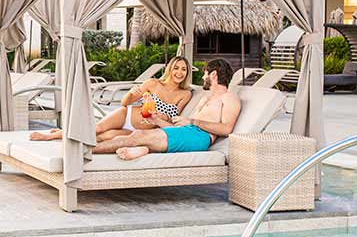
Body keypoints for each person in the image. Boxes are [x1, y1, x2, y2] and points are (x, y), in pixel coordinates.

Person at [92, 58, 241, 160]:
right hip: (187, 132)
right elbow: (180, 129)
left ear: (213, 74)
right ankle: (143, 149)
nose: (203, 77)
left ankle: (84, 153)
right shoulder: (205, 98)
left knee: (137, 137)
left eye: (205, 73)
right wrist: (157, 120)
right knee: (126, 137)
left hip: (199, 137)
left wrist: (193, 121)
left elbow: (226, 129)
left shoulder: (229, 98)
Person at [29, 56, 193, 142]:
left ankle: (63, 135)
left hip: (141, 129)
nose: (179, 72)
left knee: (106, 137)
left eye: (183, 69)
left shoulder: (185, 94)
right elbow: (125, 102)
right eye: (176, 68)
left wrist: (164, 118)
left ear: (187, 73)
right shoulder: (152, 83)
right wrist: (130, 93)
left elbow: (174, 119)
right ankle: (50, 136)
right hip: (127, 115)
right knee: (98, 128)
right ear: (170, 69)